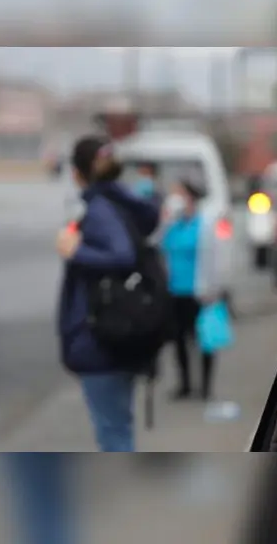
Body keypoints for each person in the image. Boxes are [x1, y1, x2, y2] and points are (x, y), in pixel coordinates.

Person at [55, 136, 160, 452]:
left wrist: (76, 252)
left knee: (113, 437)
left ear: (77, 173)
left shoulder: (100, 209)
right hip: (121, 334)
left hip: (100, 340)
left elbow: (122, 254)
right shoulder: (122, 204)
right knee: (118, 429)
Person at [160, 180, 227, 400]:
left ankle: (206, 387)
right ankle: (185, 384)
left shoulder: (205, 225)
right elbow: (159, 246)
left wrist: (215, 289)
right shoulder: (173, 225)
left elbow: (216, 259)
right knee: (179, 340)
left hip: (199, 292)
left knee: (204, 339)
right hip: (175, 292)